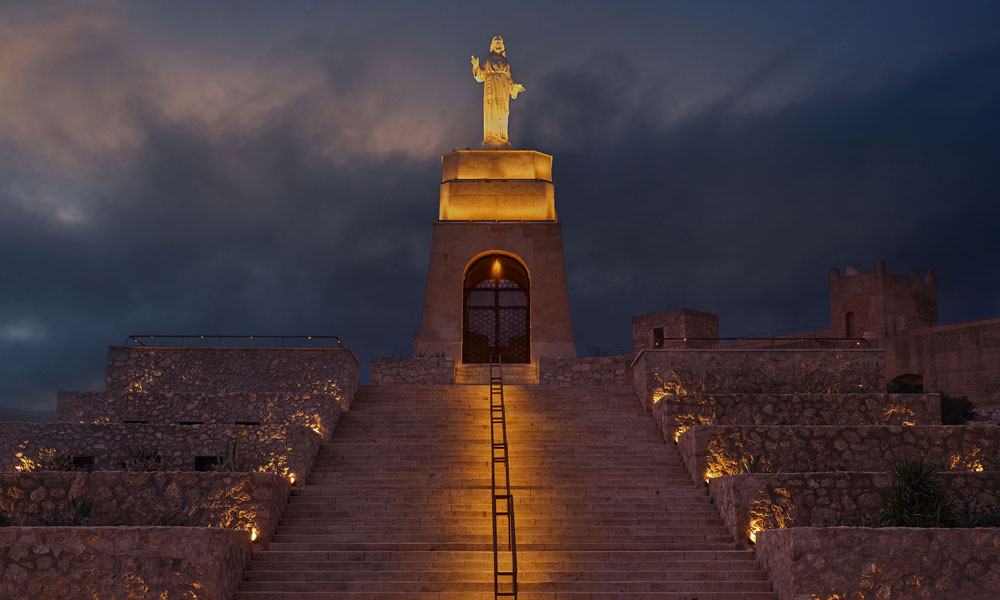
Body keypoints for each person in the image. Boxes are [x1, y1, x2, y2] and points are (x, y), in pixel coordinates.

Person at [471, 36, 525, 150]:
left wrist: (514, 86)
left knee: (503, 112)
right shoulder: (487, 60)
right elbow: (480, 77)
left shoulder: (506, 62)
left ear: (503, 46)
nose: (498, 44)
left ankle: (502, 137)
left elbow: (511, 78)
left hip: (503, 90)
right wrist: (476, 66)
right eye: (496, 42)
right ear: (492, 46)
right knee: (491, 112)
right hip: (491, 89)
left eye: (500, 42)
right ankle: (491, 138)